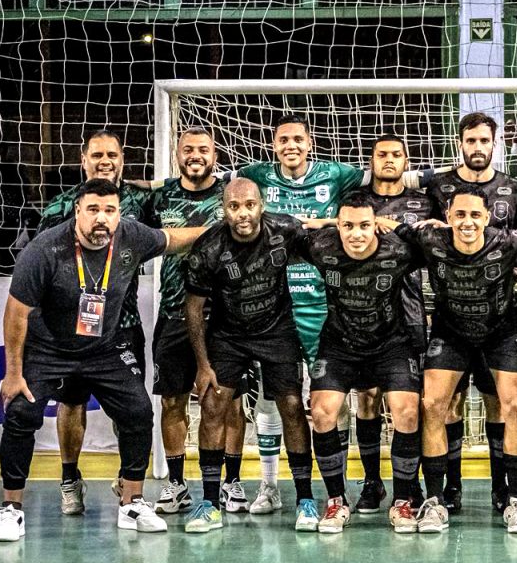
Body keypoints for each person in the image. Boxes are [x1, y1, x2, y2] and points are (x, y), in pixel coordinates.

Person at [0, 179, 203, 542]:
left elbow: (173, 238)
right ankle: (12, 509)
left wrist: (221, 227)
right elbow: (15, 314)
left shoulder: (131, 236)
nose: (101, 218)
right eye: (93, 209)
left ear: (119, 214)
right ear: (78, 212)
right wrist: (13, 373)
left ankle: (132, 502)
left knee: (139, 411)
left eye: (109, 210)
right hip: (49, 349)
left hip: (104, 347)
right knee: (20, 413)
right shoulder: (44, 249)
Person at [383, 187, 517, 533]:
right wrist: (341, 222)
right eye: (459, 215)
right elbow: (386, 225)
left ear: (487, 218)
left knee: (514, 407)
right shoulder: (430, 238)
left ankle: (516, 503)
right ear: (447, 217)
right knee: (432, 405)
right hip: (451, 332)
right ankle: (435, 503)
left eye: (475, 215)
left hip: (501, 332)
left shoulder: (511, 241)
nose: (467, 222)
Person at [235, 114, 364, 514]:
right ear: (274, 145)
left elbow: (383, 178)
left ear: (310, 144)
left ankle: (337, 487)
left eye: (297, 139)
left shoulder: (337, 174)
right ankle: (269, 486)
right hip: (275, 309)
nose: (290, 146)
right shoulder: (256, 175)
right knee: (273, 400)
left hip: (324, 308)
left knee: (333, 402)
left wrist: (326, 221)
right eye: (283, 140)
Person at [183, 179, 315, 533]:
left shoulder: (284, 230)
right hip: (228, 335)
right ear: (223, 210)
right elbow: (193, 309)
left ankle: (305, 500)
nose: (242, 213)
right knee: (213, 404)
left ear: (262, 205)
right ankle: (209, 503)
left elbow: (324, 251)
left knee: (292, 406)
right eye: (234, 206)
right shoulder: (208, 248)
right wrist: (203, 365)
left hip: (276, 330)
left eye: (249, 205)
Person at [294, 192, 426, 533]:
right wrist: (323, 222)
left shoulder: (398, 250)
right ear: (338, 227)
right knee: (322, 412)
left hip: (391, 344)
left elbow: (438, 243)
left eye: (365, 226)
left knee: (407, 411)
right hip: (340, 344)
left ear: (375, 225)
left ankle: (403, 501)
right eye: (348, 226)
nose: (356, 234)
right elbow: (280, 232)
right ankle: (336, 501)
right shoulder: (321, 247)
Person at [37, 130, 153, 515]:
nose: (105, 161)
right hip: (72, 330)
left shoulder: (141, 202)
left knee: (130, 408)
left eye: (112, 155)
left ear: (123, 160)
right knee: (71, 403)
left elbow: (173, 218)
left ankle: (127, 481)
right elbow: (39, 265)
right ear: (83, 159)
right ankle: (69, 479)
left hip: (124, 324)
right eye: (98, 154)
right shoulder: (60, 207)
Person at [425, 112, 517, 514]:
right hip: (451, 316)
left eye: (484, 140)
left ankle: (503, 490)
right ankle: (449, 489)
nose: (477, 147)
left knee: (500, 404)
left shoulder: (514, 189)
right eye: (470, 140)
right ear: (460, 143)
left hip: (499, 317)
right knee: (445, 404)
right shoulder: (439, 185)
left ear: (495, 143)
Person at [144, 127, 244, 516]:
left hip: (225, 316)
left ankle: (231, 482)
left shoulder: (230, 193)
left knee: (228, 401)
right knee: (172, 400)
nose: (195, 155)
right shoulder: (161, 196)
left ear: (215, 155)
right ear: (178, 155)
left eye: (203, 149)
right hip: (173, 313)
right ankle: (176, 483)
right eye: (188, 149)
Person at [348, 134, 433, 515]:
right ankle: (372, 482)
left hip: (409, 313)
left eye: (396, 154)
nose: (389, 160)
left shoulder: (424, 203)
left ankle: (409, 483)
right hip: (362, 316)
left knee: (409, 404)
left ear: (406, 161)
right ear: (371, 160)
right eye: (381, 154)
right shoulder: (355, 200)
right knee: (367, 399)